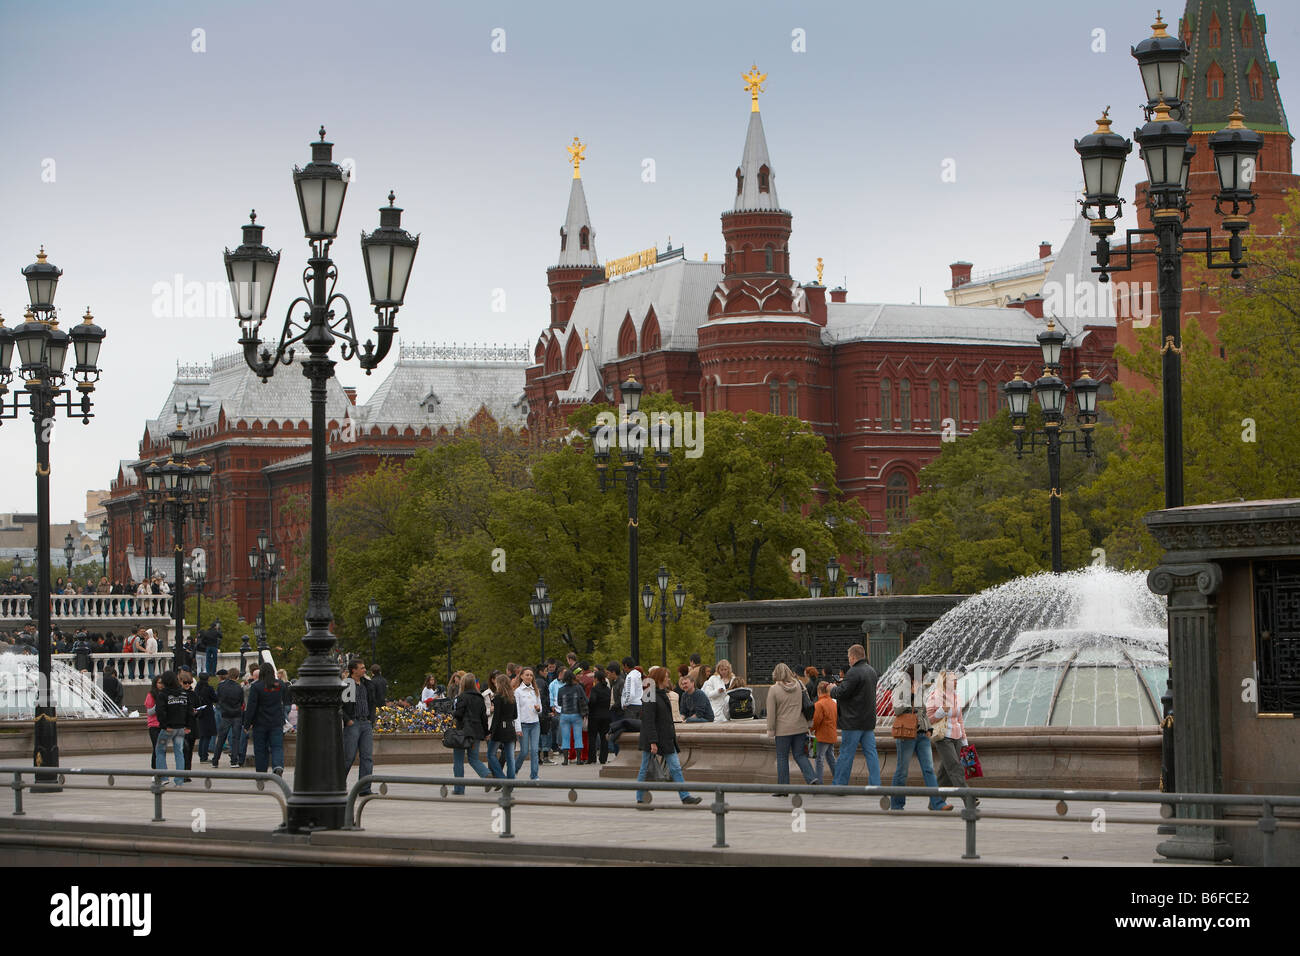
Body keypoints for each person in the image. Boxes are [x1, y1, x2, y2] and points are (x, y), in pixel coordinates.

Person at [634, 666, 702, 807]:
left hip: (665, 737)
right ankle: (640, 798)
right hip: (653, 737)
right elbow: (648, 720)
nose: (669, 679)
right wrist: (653, 741)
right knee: (645, 767)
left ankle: (685, 796)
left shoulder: (662, 693)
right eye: (666, 677)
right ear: (660, 679)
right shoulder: (650, 693)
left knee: (675, 767)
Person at [889, 665, 952, 811]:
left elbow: (922, 710)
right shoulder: (900, 688)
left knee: (929, 769)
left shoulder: (921, 689)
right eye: (923, 675)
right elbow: (897, 709)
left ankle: (937, 803)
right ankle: (897, 804)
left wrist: (929, 727)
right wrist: (911, 694)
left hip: (922, 735)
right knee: (902, 770)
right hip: (906, 734)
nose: (924, 678)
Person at [829, 644, 881, 788]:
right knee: (871, 753)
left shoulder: (853, 672)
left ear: (853, 657)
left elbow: (842, 693)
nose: (849, 661)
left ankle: (839, 785)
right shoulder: (871, 671)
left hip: (852, 722)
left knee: (846, 754)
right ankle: (875, 784)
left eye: (849, 658)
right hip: (868, 721)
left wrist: (832, 689)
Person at [767, 663, 818, 795]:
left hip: (783, 730)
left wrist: (771, 730)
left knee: (782, 757)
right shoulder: (799, 685)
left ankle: (783, 789)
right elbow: (807, 705)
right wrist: (809, 723)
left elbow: (771, 713)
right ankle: (812, 778)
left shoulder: (774, 689)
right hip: (800, 727)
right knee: (800, 755)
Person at [927, 668, 974, 803]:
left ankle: (936, 802)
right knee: (955, 767)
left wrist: (964, 739)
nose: (955, 682)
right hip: (943, 737)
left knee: (945, 773)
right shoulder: (935, 696)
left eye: (955, 680)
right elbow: (928, 719)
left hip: (957, 737)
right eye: (953, 680)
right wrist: (940, 713)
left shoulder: (956, 697)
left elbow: (960, 719)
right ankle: (968, 797)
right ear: (945, 681)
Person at [244, 662, 288, 775]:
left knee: (260, 748)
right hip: (276, 721)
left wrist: (247, 724)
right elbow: (285, 700)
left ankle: (261, 771)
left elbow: (251, 706)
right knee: (277, 746)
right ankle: (278, 765)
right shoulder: (280, 685)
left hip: (260, 722)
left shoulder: (256, 686)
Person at [451, 672, 490, 794]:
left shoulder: (462, 697)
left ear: (463, 684)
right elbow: (484, 717)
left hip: (462, 732)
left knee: (458, 760)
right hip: (476, 732)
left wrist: (453, 712)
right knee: (474, 759)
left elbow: (459, 714)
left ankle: (459, 788)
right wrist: (486, 732)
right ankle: (486, 775)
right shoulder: (480, 698)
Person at [340, 658, 374, 794]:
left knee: (367, 757)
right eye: (362, 668)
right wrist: (348, 720)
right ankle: (339, 785)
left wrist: (371, 719)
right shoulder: (348, 684)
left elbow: (372, 702)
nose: (364, 670)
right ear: (353, 670)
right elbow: (341, 706)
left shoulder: (367, 684)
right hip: (353, 723)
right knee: (348, 756)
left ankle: (364, 788)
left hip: (366, 723)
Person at [153, 671, 192, 787]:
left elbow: (160, 711)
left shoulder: (163, 694)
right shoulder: (184, 694)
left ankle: (164, 777)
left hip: (168, 729)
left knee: (160, 750)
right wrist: (188, 726)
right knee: (179, 752)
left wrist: (164, 725)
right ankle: (179, 780)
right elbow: (190, 711)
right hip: (180, 728)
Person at [512, 667, 544, 780]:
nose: (529, 677)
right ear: (521, 676)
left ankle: (534, 775)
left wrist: (538, 708)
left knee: (535, 750)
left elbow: (540, 709)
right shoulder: (518, 692)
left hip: (535, 724)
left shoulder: (535, 690)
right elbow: (516, 711)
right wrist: (518, 728)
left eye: (531, 675)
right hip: (523, 724)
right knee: (524, 751)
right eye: (527, 675)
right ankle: (514, 770)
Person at [487, 674, 517, 786]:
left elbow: (496, 717)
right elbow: (515, 715)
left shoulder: (498, 697)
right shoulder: (512, 697)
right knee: (510, 758)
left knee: (491, 754)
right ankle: (511, 781)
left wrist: (491, 732)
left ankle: (500, 778)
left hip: (500, 728)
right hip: (510, 727)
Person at [556, 668, 588, 766]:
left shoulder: (561, 689)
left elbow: (559, 703)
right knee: (578, 737)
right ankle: (579, 760)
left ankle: (566, 760)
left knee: (566, 738)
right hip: (576, 715)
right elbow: (585, 700)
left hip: (564, 715)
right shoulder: (578, 688)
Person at [213, 669, 244, 767]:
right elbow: (241, 700)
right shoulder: (239, 687)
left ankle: (215, 760)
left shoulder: (221, 686)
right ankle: (234, 760)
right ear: (237, 677)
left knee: (221, 738)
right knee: (236, 738)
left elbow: (217, 698)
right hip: (236, 714)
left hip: (225, 714)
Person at [812, 681, 839, 784]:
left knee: (819, 759)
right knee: (831, 758)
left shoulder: (819, 704)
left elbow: (816, 720)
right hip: (831, 735)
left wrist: (810, 729)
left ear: (819, 691)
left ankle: (819, 782)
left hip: (822, 736)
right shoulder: (833, 703)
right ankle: (838, 779)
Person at [586, 666, 612, 764]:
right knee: (604, 738)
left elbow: (592, 700)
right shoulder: (608, 689)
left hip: (594, 716)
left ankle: (592, 758)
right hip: (606, 716)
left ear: (596, 679)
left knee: (592, 737)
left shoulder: (595, 689)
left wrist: (589, 707)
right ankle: (603, 758)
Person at [144, 675, 164, 768]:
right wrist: (158, 705)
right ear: (155, 683)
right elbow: (150, 712)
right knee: (156, 747)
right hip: (154, 725)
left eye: (162, 683)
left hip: (163, 724)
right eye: (159, 683)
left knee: (161, 748)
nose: (161, 685)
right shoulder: (151, 695)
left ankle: (160, 768)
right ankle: (155, 768)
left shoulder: (165, 694)